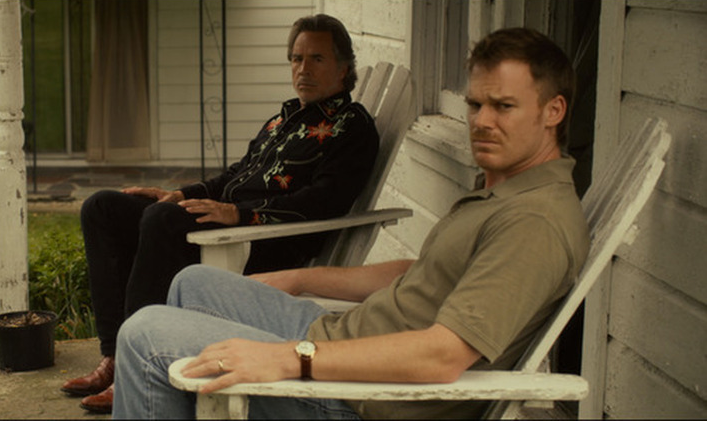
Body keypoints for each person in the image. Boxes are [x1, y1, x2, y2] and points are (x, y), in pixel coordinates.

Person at [112, 27, 590, 419]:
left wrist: (288, 358)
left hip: (364, 397)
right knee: (194, 283)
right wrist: (300, 278)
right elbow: (422, 273)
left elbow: (443, 355)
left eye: (503, 106)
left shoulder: (535, 222)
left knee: (146, 336)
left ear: (554, 111)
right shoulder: (505, 189)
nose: (482, 121)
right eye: (475, 104)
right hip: (348, 337)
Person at [62, 14, 380, 413]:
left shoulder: (352, 127)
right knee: (104, 208)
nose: (303, 69)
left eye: (317, 59)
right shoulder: (282, 120)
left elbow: (323, 202)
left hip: (268, 241)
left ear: (344, 68)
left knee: (162, 221)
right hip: (229, 223)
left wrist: (239, 215)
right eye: (297, 59)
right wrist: (181, 194)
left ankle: (134, 364)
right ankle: (114, 355)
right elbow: (236, 175)